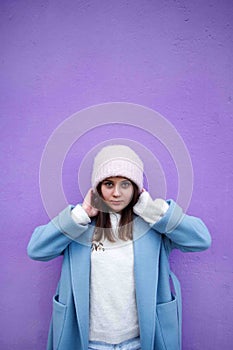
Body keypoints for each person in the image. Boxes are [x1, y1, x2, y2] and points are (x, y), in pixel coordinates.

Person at [27, 144, 211, 350]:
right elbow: (37, 249)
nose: (116, 193)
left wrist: (153, 210)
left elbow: (201, 239)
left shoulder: (152, 225)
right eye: (108, 184)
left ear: (136, 189)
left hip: (140, 340)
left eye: (125, 184)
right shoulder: (79, 224)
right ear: (97, 188)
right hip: (88, 341)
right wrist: (82, 213)